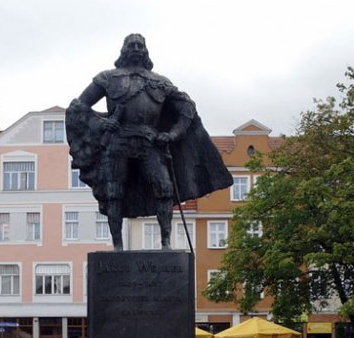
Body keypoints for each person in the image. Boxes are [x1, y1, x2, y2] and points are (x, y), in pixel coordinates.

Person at [66, 33, 231, 250]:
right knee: (113, 193)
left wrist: (172, 134)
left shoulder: (160, 82)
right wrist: (102, 123)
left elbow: (187, 108)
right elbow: (78, 106)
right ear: (124, 50)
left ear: (145, 51)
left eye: (139, 45)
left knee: (165, 188)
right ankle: (118, 247)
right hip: (118, 141)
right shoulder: (107, 78)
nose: (136, 48)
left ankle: (165, 244)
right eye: (131, 45)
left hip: (150, 141)